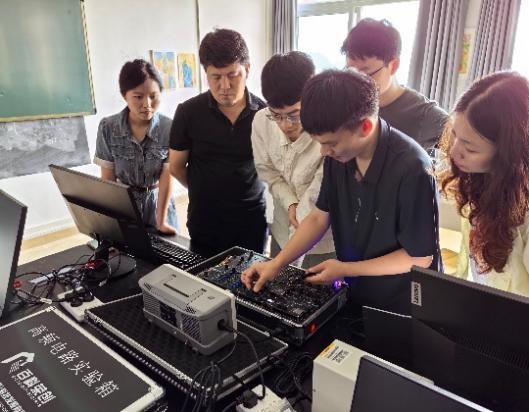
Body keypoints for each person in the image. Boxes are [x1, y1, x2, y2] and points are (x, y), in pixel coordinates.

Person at [242, 69, 441, 314]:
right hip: (356, 291)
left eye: (331, 143)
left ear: (365, 127)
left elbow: (419, 258)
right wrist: (277, 263)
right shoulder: (339, 156)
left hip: (400, 301)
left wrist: (346, 269)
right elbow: (319, 217)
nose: (324, 152)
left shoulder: (412, 168)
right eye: (320, 143)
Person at [169, 29, 267, 258]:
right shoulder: (188, 112)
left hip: (251, 218)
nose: (225, 86)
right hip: (205, 219)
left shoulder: (264, 113)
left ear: (247, 69)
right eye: (216, 77)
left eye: (233, 75)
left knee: (251, 276)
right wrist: (203, 190)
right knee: (203, 276)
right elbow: (176, 166)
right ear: (206, 73)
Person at [440, 71, 529, 297]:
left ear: (508, 154)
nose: (454, 152)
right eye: (455, 135)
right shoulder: (479, 180)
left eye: (470, 148)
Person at [252, 51, 335, 268]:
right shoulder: (261, 121)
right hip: (281, 229)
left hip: (324, 240)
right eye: (276, 115)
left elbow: (313, 200)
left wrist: (283, 264)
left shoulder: (330, 131)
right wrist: (290, 202)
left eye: (294, 114)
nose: (285, 125)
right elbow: (269, 173)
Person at [94, 59, 177, 235]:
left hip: (159, 204)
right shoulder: (108, 127)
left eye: (153, 96)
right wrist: (111, 221)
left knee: (165, 251)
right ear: (124, 95)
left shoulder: (169, 128)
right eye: (138, 97)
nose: (147, 104)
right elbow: (108, 179)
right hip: (125, 205)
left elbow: (167, 177)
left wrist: (161, 221)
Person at [342, 18, 448, 153]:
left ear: (394, 66)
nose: (356, 82)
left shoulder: (426, 115)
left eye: (366, 73)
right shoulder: (346, 104)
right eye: (351, 71)